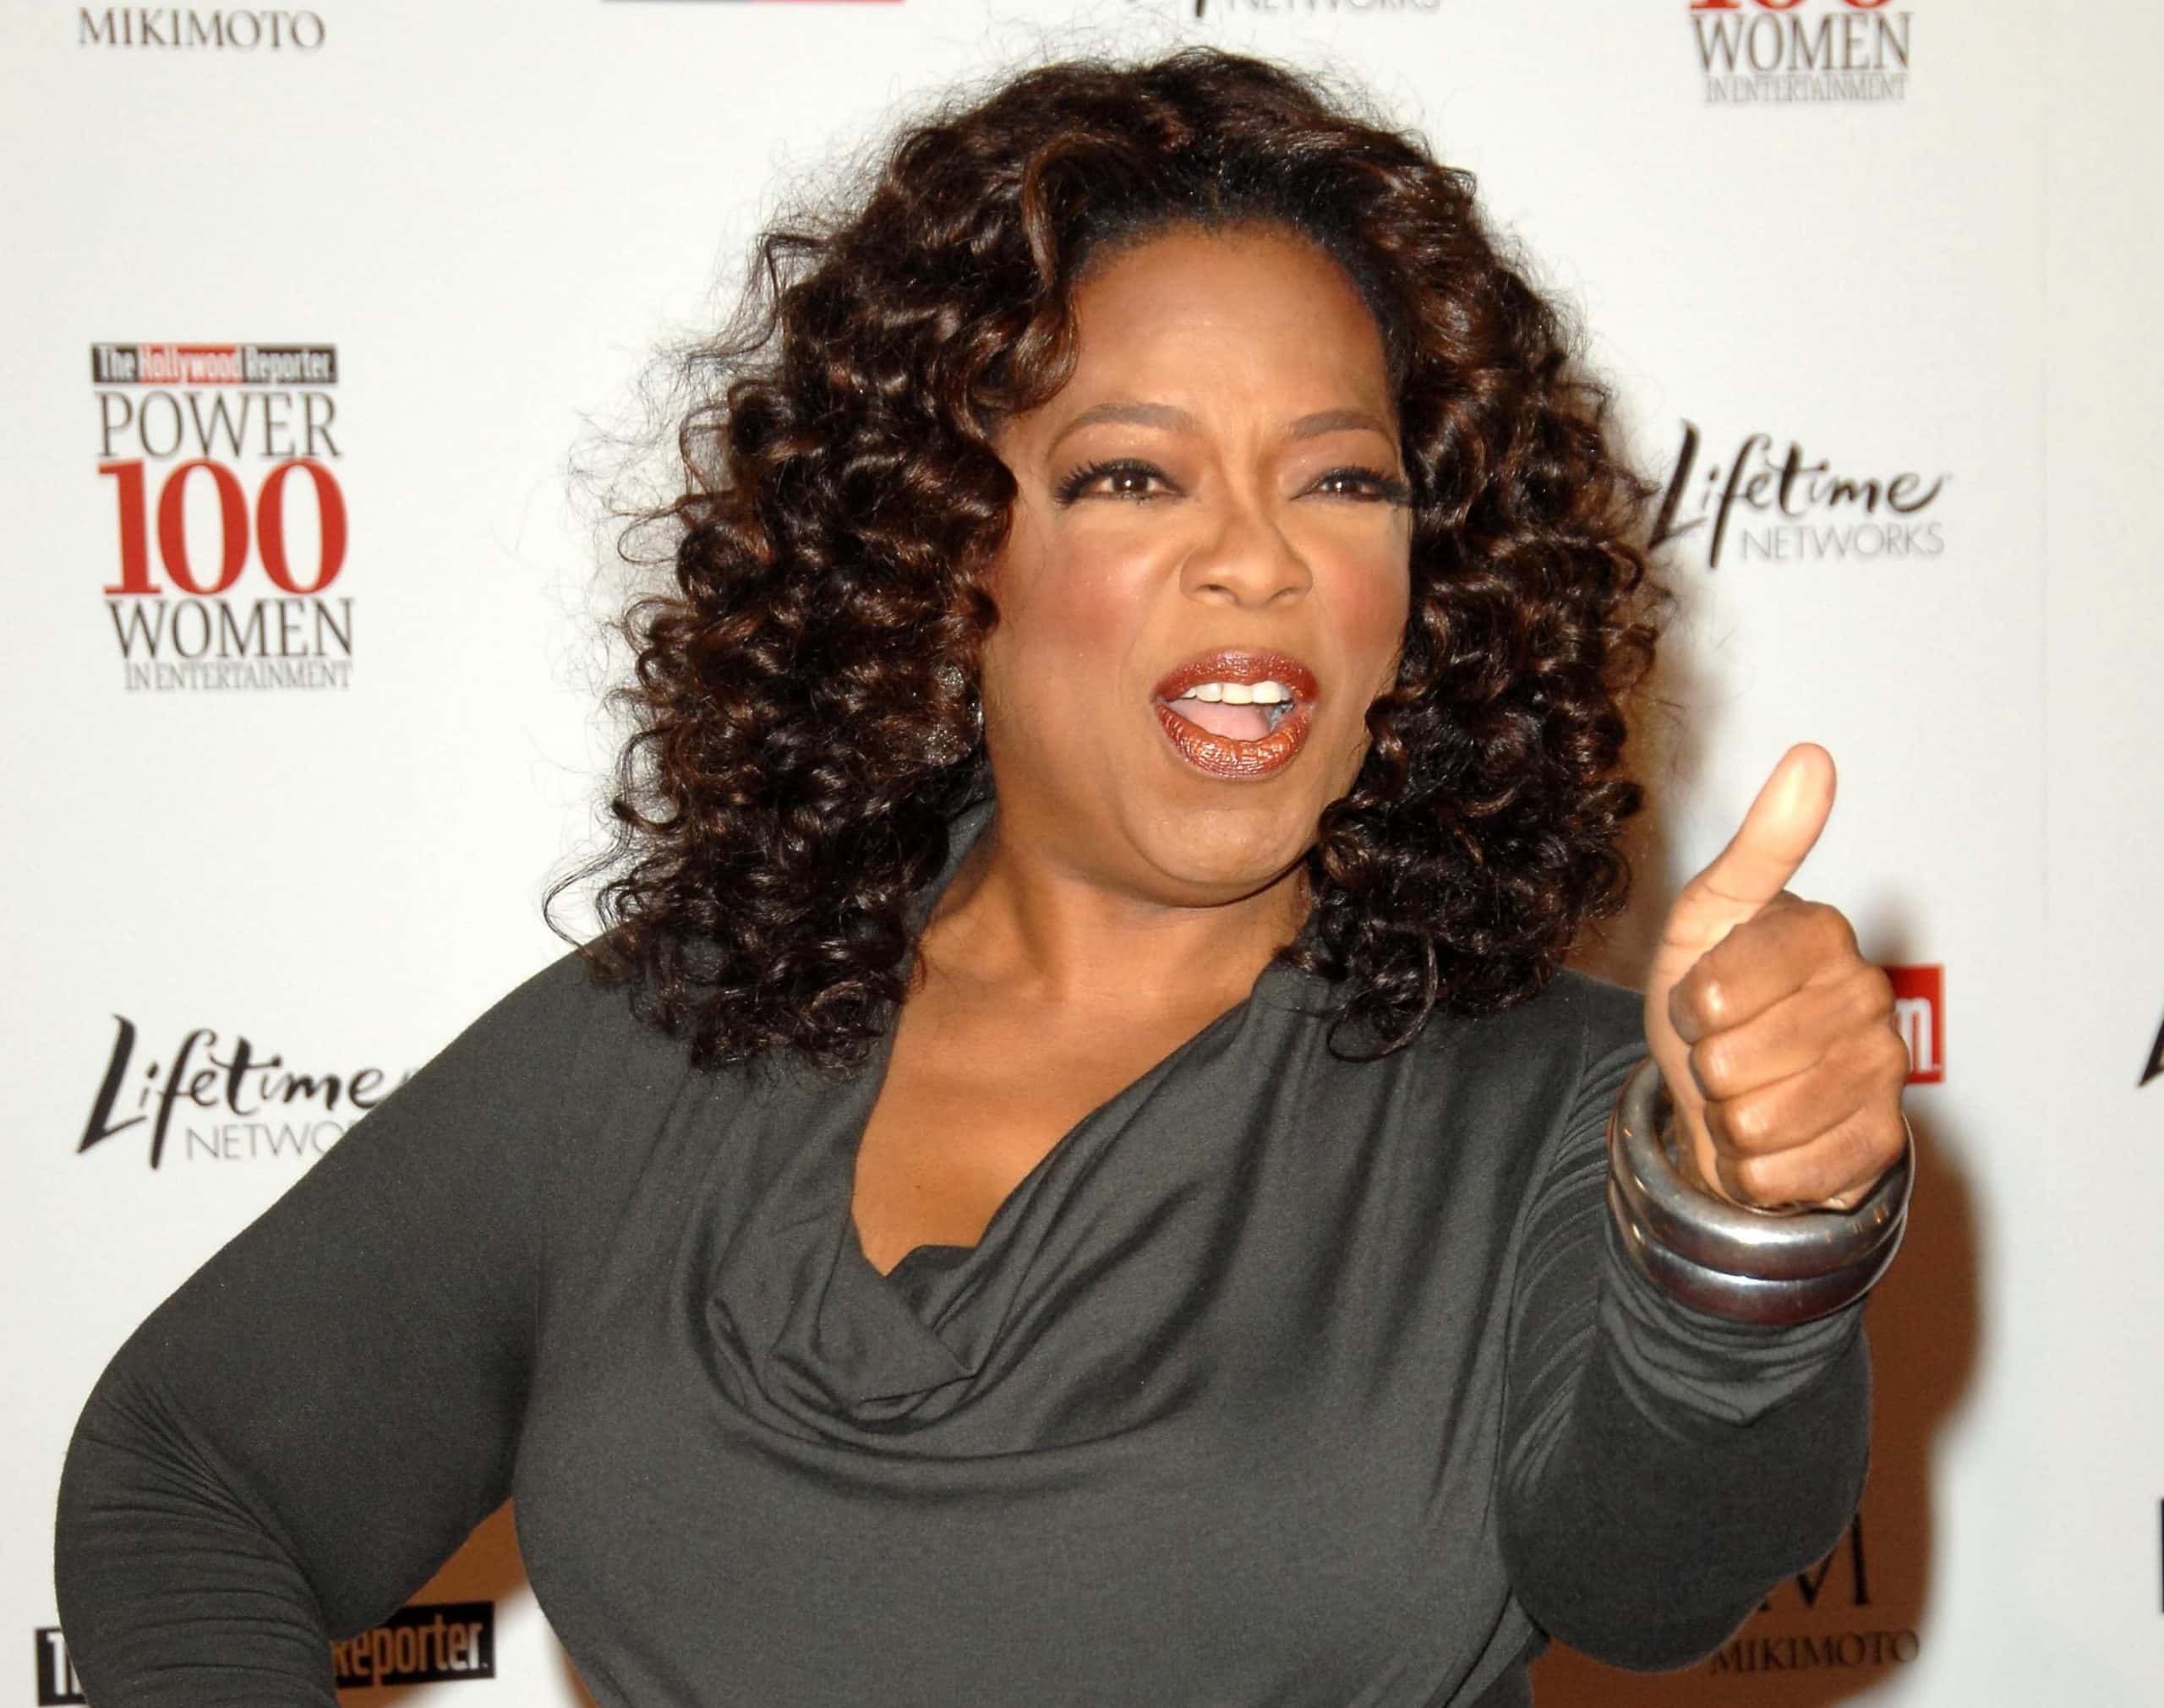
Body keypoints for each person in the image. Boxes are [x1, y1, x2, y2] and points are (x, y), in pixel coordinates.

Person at [52, 46, 1912, 1708]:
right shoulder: (677, 1041)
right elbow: (189, 1469)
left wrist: (1748, 1224)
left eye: (1342, 482)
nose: (1257, 560)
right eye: (1131, 478)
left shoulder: (1551, 1109)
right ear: (946, 550)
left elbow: (1652, 1581)